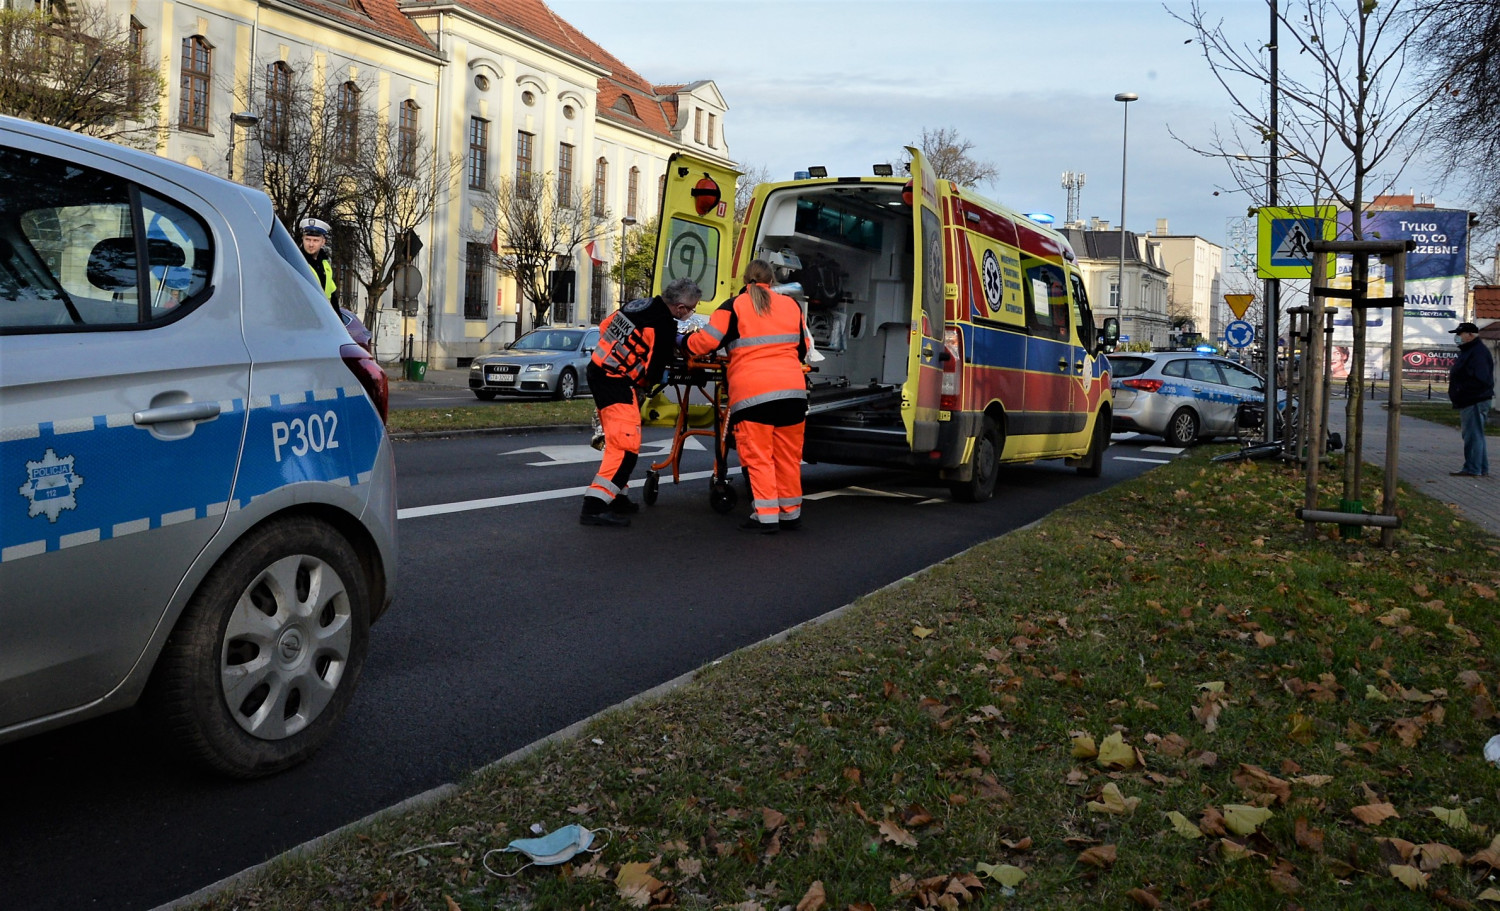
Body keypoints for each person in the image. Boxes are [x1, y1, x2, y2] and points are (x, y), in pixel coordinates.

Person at [686, 259, 813, 534]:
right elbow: (803, 348)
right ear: (772, 280)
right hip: (792, 393)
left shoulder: (734, 306)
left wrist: (684, 343)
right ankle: (791, 514)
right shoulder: (791, 306)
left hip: (754, 395)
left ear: (745, 280)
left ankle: (766, 517)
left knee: (759, 458)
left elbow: (706, 342)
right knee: (788, 458)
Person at [580, 278, 703, 527]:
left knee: (617, 439)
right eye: (692, 309)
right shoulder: (663, 325)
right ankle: (594, 506)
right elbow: (654, 371)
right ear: (681, 308)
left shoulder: (638, 304)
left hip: (600, 371)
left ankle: (617, 497)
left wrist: (623, 354)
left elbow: (605, 327)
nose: (691, 314)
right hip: (616, 382)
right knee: (625, 447)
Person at [1448, 321, 1494, 478]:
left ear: (1469, 335)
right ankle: (1480, 467)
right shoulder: (1471, 350)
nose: (1457, 337)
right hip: (1472, 399)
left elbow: (1481, 378)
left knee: (1472, 436)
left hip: (1474, 400)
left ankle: (1473, 468)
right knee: (1476, 435)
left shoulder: (1477, 352)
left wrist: (1462, 390)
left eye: (1459, 334)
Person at [298, 217, 339, 311]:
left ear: (323, 242)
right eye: (308, 239)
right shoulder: (297, 263)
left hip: (323, 317)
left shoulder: (325, 264)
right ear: (303, 239)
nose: (311, 244)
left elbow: (332, 297)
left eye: (315, 240)